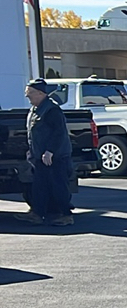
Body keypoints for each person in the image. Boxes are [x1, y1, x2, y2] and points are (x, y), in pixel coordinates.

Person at [18, 78, 73, 227]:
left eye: (30, 93)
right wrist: (31, 151)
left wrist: (50, 151)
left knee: (58, 186)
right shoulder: (36, 109)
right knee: (39, 187)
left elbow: (59, 133)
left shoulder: (52, 110)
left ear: (41, 93)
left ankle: (66, 215)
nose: (27, 97)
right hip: (40, 157)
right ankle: (37, 213)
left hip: (55, 157)